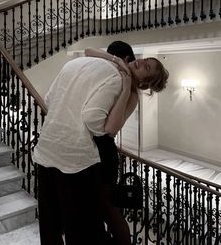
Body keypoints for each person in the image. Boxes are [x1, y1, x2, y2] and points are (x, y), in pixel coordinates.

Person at [33, 42, 169, 245]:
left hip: (93, 153)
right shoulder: (112, 71)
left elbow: (105, 127)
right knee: (83, 222)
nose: (140, 61)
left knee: (96, 212)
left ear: (143, 83)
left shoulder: (125, 89)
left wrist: (124, 86)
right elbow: (95, 122)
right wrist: (116, 64)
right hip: (79, 156)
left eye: (146, 67)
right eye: (144, 61)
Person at [86, 41, 136, 245]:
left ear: (126, 61)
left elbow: (111, 129)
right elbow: (89, 50)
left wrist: (125, 83)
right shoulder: (113, 76)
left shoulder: (130, 92)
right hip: (98, 149)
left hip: (105, 153)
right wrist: (115, 61)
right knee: (98, 206)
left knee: (107, 207)